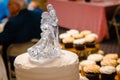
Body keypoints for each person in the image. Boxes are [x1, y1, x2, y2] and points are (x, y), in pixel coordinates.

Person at [0, 0, 43, 79]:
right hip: (37, 59)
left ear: (16, 6)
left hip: (16, 62)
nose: (7, 7)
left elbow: (2, 40)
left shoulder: (13, 23)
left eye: (9, 4)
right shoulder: (38, 16)